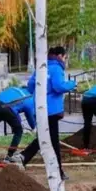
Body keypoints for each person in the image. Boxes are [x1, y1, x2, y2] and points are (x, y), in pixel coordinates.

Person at [19, 46, 76, 179]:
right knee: (51, 140)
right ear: (60, 55)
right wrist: (72, 84)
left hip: (39, 107)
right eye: (65, 57)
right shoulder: (57, 68)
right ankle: (25, 157)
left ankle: (25, 157)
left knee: (46, 138)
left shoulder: (41, 67)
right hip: (52, 110)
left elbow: (31, 85)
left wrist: (42, 93)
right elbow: (58, 86)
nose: (65, 60)